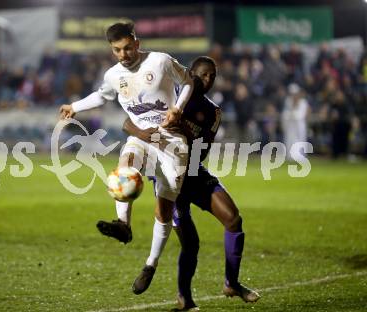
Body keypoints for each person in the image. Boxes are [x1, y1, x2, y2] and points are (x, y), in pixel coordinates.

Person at [113, 56, 260, 310]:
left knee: (234, 219)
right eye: (203, 75)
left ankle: (231, 283)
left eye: (212, 76)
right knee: (190, 243)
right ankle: (184, 299)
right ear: (190, 74)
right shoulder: (167, 95)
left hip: (193, 171)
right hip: (170, 179)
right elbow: (128, 123)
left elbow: (201, 151)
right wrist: (150, 135)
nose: (208, 80)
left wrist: (185, 133)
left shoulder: (212, 111)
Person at [58, 22, 194, 294]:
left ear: (137, 43)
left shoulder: (161, 61)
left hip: (172, 143)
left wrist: (177, 109)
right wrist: (75, 107)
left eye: (127, 47)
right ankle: (123, 225)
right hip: (141, 139)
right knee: (124, 166)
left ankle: (150, 264)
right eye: (117, 50)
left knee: (164, 210)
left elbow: (188, 81)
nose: (123, 54)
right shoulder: (112, 75)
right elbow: (101, 96)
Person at [281, 83, 309, 161]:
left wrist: (292, 114)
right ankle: (290, 157)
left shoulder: (303, 102)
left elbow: (301, 115)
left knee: (300, 141)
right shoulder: (288, 101)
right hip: (290, 127)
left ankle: (300, 156)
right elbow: (285, 114)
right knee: (289, 141)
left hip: (299, 127)